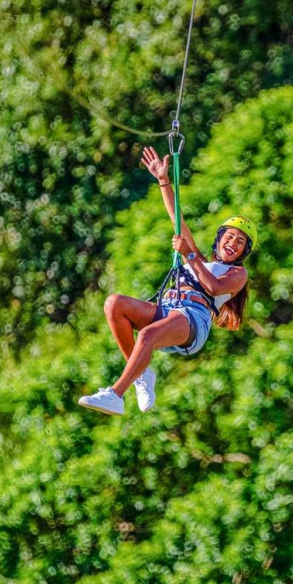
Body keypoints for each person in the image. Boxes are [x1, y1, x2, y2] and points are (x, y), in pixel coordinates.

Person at [78, 146, 255, 416]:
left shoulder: (237, 275)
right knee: (114, 304)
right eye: (229, 237)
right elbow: (177, 218)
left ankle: (115, 394)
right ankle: (141, 375)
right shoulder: (200, 258)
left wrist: (189, 254)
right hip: (168, 309)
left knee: (147, 335)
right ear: (219, 239)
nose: (233, 243)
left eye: (240, 242)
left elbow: (214, 288)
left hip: (192, 320)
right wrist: (163, 179)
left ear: (244, 252)